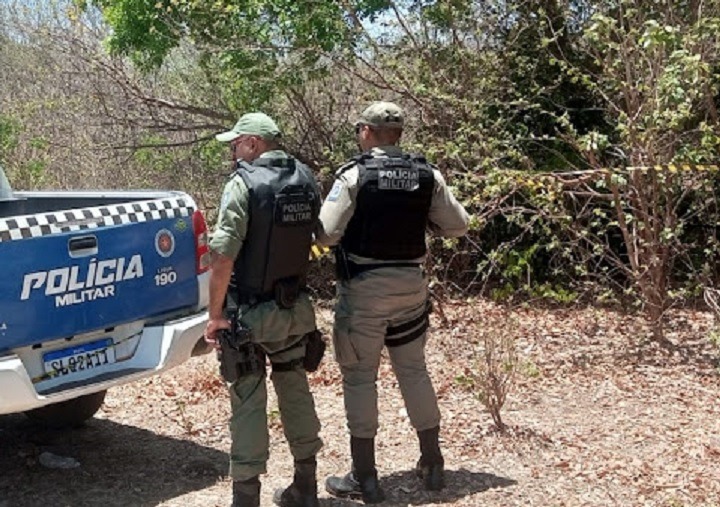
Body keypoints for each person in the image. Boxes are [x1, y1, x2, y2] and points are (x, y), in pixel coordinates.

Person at [317, 101, 469, 503]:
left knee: (360, 376)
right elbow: (458, 225)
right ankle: (432, 464)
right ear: (399, 134)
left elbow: (326, 234)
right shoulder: (427, 174)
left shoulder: (354, 175)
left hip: (365, 290)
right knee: (414, 370)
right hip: (410, 287)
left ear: (367, 132)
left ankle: (364, 477)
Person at [204, 112, 324, 507]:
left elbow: (223, 256)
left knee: (249, 399)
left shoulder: (243, 184)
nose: (233, 151)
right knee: (295, 388)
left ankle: (246, 498)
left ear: (253, 143)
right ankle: (306, 486)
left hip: (251, 317)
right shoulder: (306, 177)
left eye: (235, 143)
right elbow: (321, 235)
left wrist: (214, 315)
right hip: (295, 309)